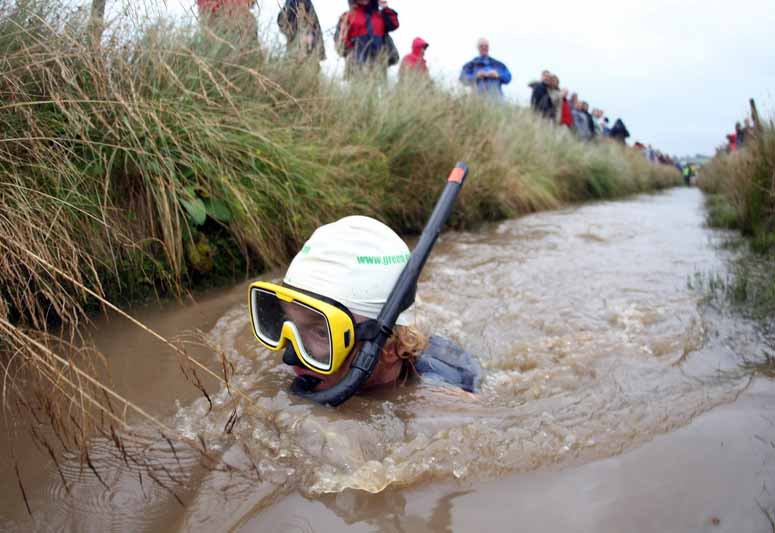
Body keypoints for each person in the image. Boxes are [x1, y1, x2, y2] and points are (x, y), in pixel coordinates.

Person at [249, 216, 481, 397]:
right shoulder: (316, 369)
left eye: (322, 332)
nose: (289, 357)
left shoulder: (439, 393)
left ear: (389, 349)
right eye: (287, 325)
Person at [336, 0, 400, 79]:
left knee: (379, 89)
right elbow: (340, 45)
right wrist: (352, 55)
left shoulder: (380, 16)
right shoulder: (347, 16)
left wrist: (385, 8)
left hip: (379, 67)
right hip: (356, 69)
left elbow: (394, 24)